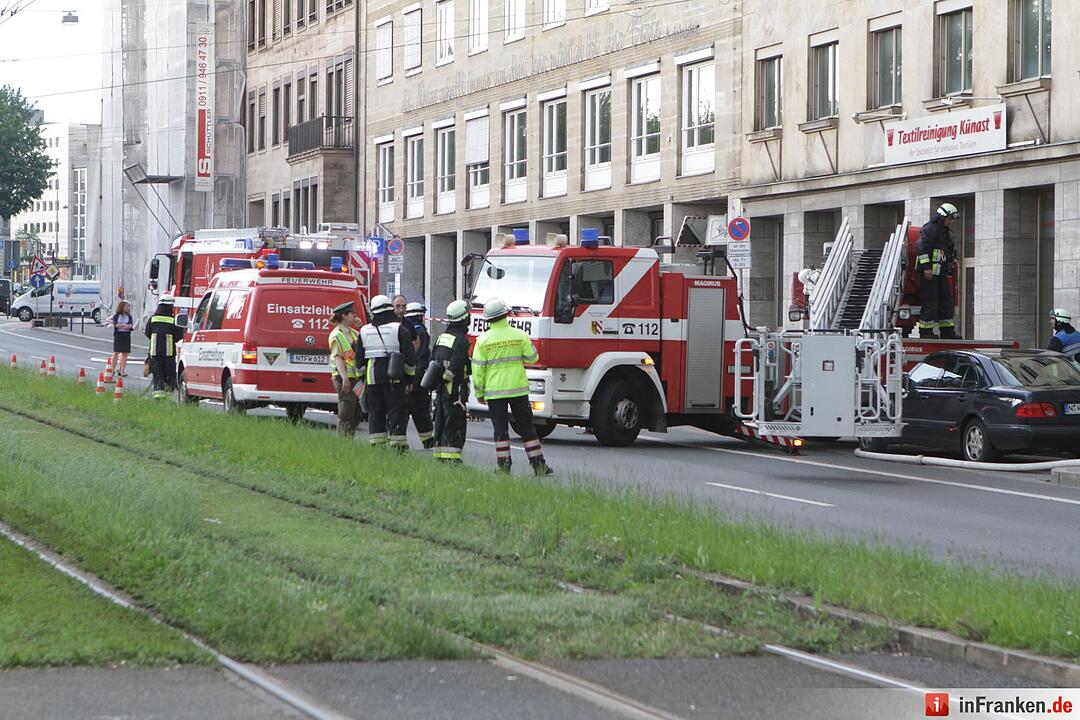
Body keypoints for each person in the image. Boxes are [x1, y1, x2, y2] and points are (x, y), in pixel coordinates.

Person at [471, 297, 553, 475]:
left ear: (488, 319)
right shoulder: (520, 335)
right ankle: (539, 465)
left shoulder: (483, 340)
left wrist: (479, 392)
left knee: (500, 429)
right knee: (526, 427)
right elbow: (533, 358)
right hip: (518, 389)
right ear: (506, 314)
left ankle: (504, 466)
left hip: (494, 392)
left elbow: (477, 370)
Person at [356, 294, 417, 451]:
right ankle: (397, 449)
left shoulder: (363, 331)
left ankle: (377, 447)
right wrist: (409, 380)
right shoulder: (400, 330)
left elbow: (359, 363)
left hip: (372, 381)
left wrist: (362, 380)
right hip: (395, 380)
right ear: (390, 310)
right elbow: (410, 360)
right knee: (396, 412)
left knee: (376, 413)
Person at [430, 300, 472, 463]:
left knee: (441, 420)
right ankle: (453, 458)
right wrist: (450, 379)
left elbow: (433, 358)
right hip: (454, 389)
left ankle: (440, 455)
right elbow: (456, 363)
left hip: (441, 388)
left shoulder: (442, 337)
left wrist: (440, 381)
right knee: (455, 422)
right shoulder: (461, 339)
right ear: (463, 318)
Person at [915, 203, 959, 339]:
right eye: (950, 218)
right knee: (930, 302)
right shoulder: (930, 228)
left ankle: (947, 331)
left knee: (946, 302)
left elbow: (946, 249)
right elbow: (921, 248)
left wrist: (952, 260)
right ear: (942, 216)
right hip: (929, 275)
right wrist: (926, 268)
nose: (951, 221)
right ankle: (926, 332)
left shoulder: (944, 231)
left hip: (941, 273)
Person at [329, 301, 362, 437]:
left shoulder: (353, 333)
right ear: (344, 316)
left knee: (357, 412)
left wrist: (361, 327)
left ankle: (350, 438)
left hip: (356, 378)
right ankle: (343, 442)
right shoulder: (336, 335)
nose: (355, 316)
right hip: (344, 378)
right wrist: (345, 379)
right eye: (352, 313)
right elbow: (338, 358)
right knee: (346, 411)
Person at [404, 301, 435, 448]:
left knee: (405, 408)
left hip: (406, 373)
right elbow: (423, 356)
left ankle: (397, 438)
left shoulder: (403, 329)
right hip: (418, 373)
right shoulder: (420, 331)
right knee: (421, 409)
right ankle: (428, 440)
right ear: (419, 316)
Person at [144, 295, 184, 399]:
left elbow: (147, 332)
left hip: (155, 353)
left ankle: (157, 397)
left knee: (157, 375)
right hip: (169, 353)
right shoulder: (173, 320)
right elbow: (179, 336)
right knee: (169, 374)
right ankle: (168, 395)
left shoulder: (153, 319)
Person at [108, 300, 135, 377]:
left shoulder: (129, 316)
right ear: (122, 307)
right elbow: (115, 324)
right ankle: (112, 370)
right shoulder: (116, 315)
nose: (128, 308)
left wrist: (121, 325)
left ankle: (122, 370)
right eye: (127, 306)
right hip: (118, 335)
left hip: (126, 335)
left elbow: (130, 325)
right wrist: (123, 325)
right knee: (116, 353)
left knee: (125, 353)